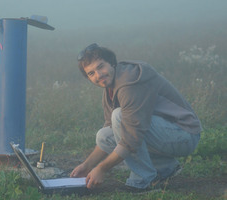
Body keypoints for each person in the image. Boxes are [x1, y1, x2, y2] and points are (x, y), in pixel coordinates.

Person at [70, 43, 202, 193]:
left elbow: (131, 139)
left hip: (184, 134)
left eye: (100, 67)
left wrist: (101, 168)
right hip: (163, 133)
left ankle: (143, 181)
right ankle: (164, 167)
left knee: (119, 117)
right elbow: (114, 129)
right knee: (104, 136)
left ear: (112, 62)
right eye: (91, 73)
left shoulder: (130, 82)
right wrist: (87, 166)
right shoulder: (110, 88)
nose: (98, 75)